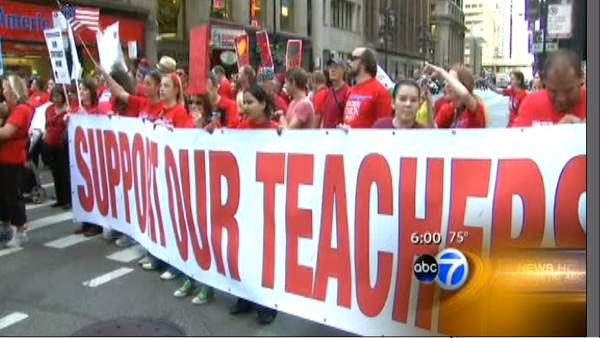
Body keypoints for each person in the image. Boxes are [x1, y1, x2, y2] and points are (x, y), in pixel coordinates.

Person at [230, 85, 279, 324]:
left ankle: (267, 304)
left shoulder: (276, 131)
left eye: (249, 102)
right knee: (245, 249)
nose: (245, 107)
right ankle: (245, 296)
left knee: (264, 253)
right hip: (245, 199)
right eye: (243, 103)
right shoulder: (240, 128)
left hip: (267, 202)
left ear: (263, 104)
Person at [0, 75, 35, 247]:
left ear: (14, 90)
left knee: (13, 195)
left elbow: (6, 133)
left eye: (6, 87)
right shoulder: (11, 108)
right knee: (4, 195)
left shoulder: (22, 109)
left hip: (12, 158)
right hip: (4, 157)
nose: (3, 90)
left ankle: (20, 230)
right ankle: (6, 226)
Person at [512, 49, 586, 127]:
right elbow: (515, 138)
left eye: (568, 91)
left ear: (581, 78)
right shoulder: (531, 103)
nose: (561, 99)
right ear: (544, 81)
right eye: (553, 91)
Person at [70, 78, 105, 237]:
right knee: (82, 188)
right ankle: (86, 221)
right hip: (80, 156)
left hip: (93, 157)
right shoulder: (78, 109)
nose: (82, 92)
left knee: (94, 190)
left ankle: (96, 224)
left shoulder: (98, 110)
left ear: (92, 91)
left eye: (84, 89)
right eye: (80, 89)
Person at [342, 47, 392, 128]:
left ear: (364, 63)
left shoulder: (380, 91)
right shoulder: (351, 90)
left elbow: (385, 127)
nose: (348, 62)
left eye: (352, 58)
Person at [426, 63, 487, 129]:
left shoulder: (475, 107)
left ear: (463, 84)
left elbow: (464, 94)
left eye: (450, 80)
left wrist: (441, 71)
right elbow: (433, 130)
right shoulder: (448, 108)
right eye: (446, 80)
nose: (446, 84)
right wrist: (428, 103)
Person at [42, 85, 71, 210]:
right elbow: (46, 124)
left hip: (62, 145)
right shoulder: (49, 109)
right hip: (50, 143)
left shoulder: (68, 109)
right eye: (53, 96)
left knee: (64, 173)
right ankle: (59, 198)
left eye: (58, 96)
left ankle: (67, 199)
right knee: (55, 173)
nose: (55, 99)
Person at [321, 57, 350, 128]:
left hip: (339, 136)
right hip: (326, 135)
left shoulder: (348, 92)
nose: (332, 70)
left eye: (336, 67)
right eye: (330, 67)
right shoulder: (327, 92)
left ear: (343, 70)